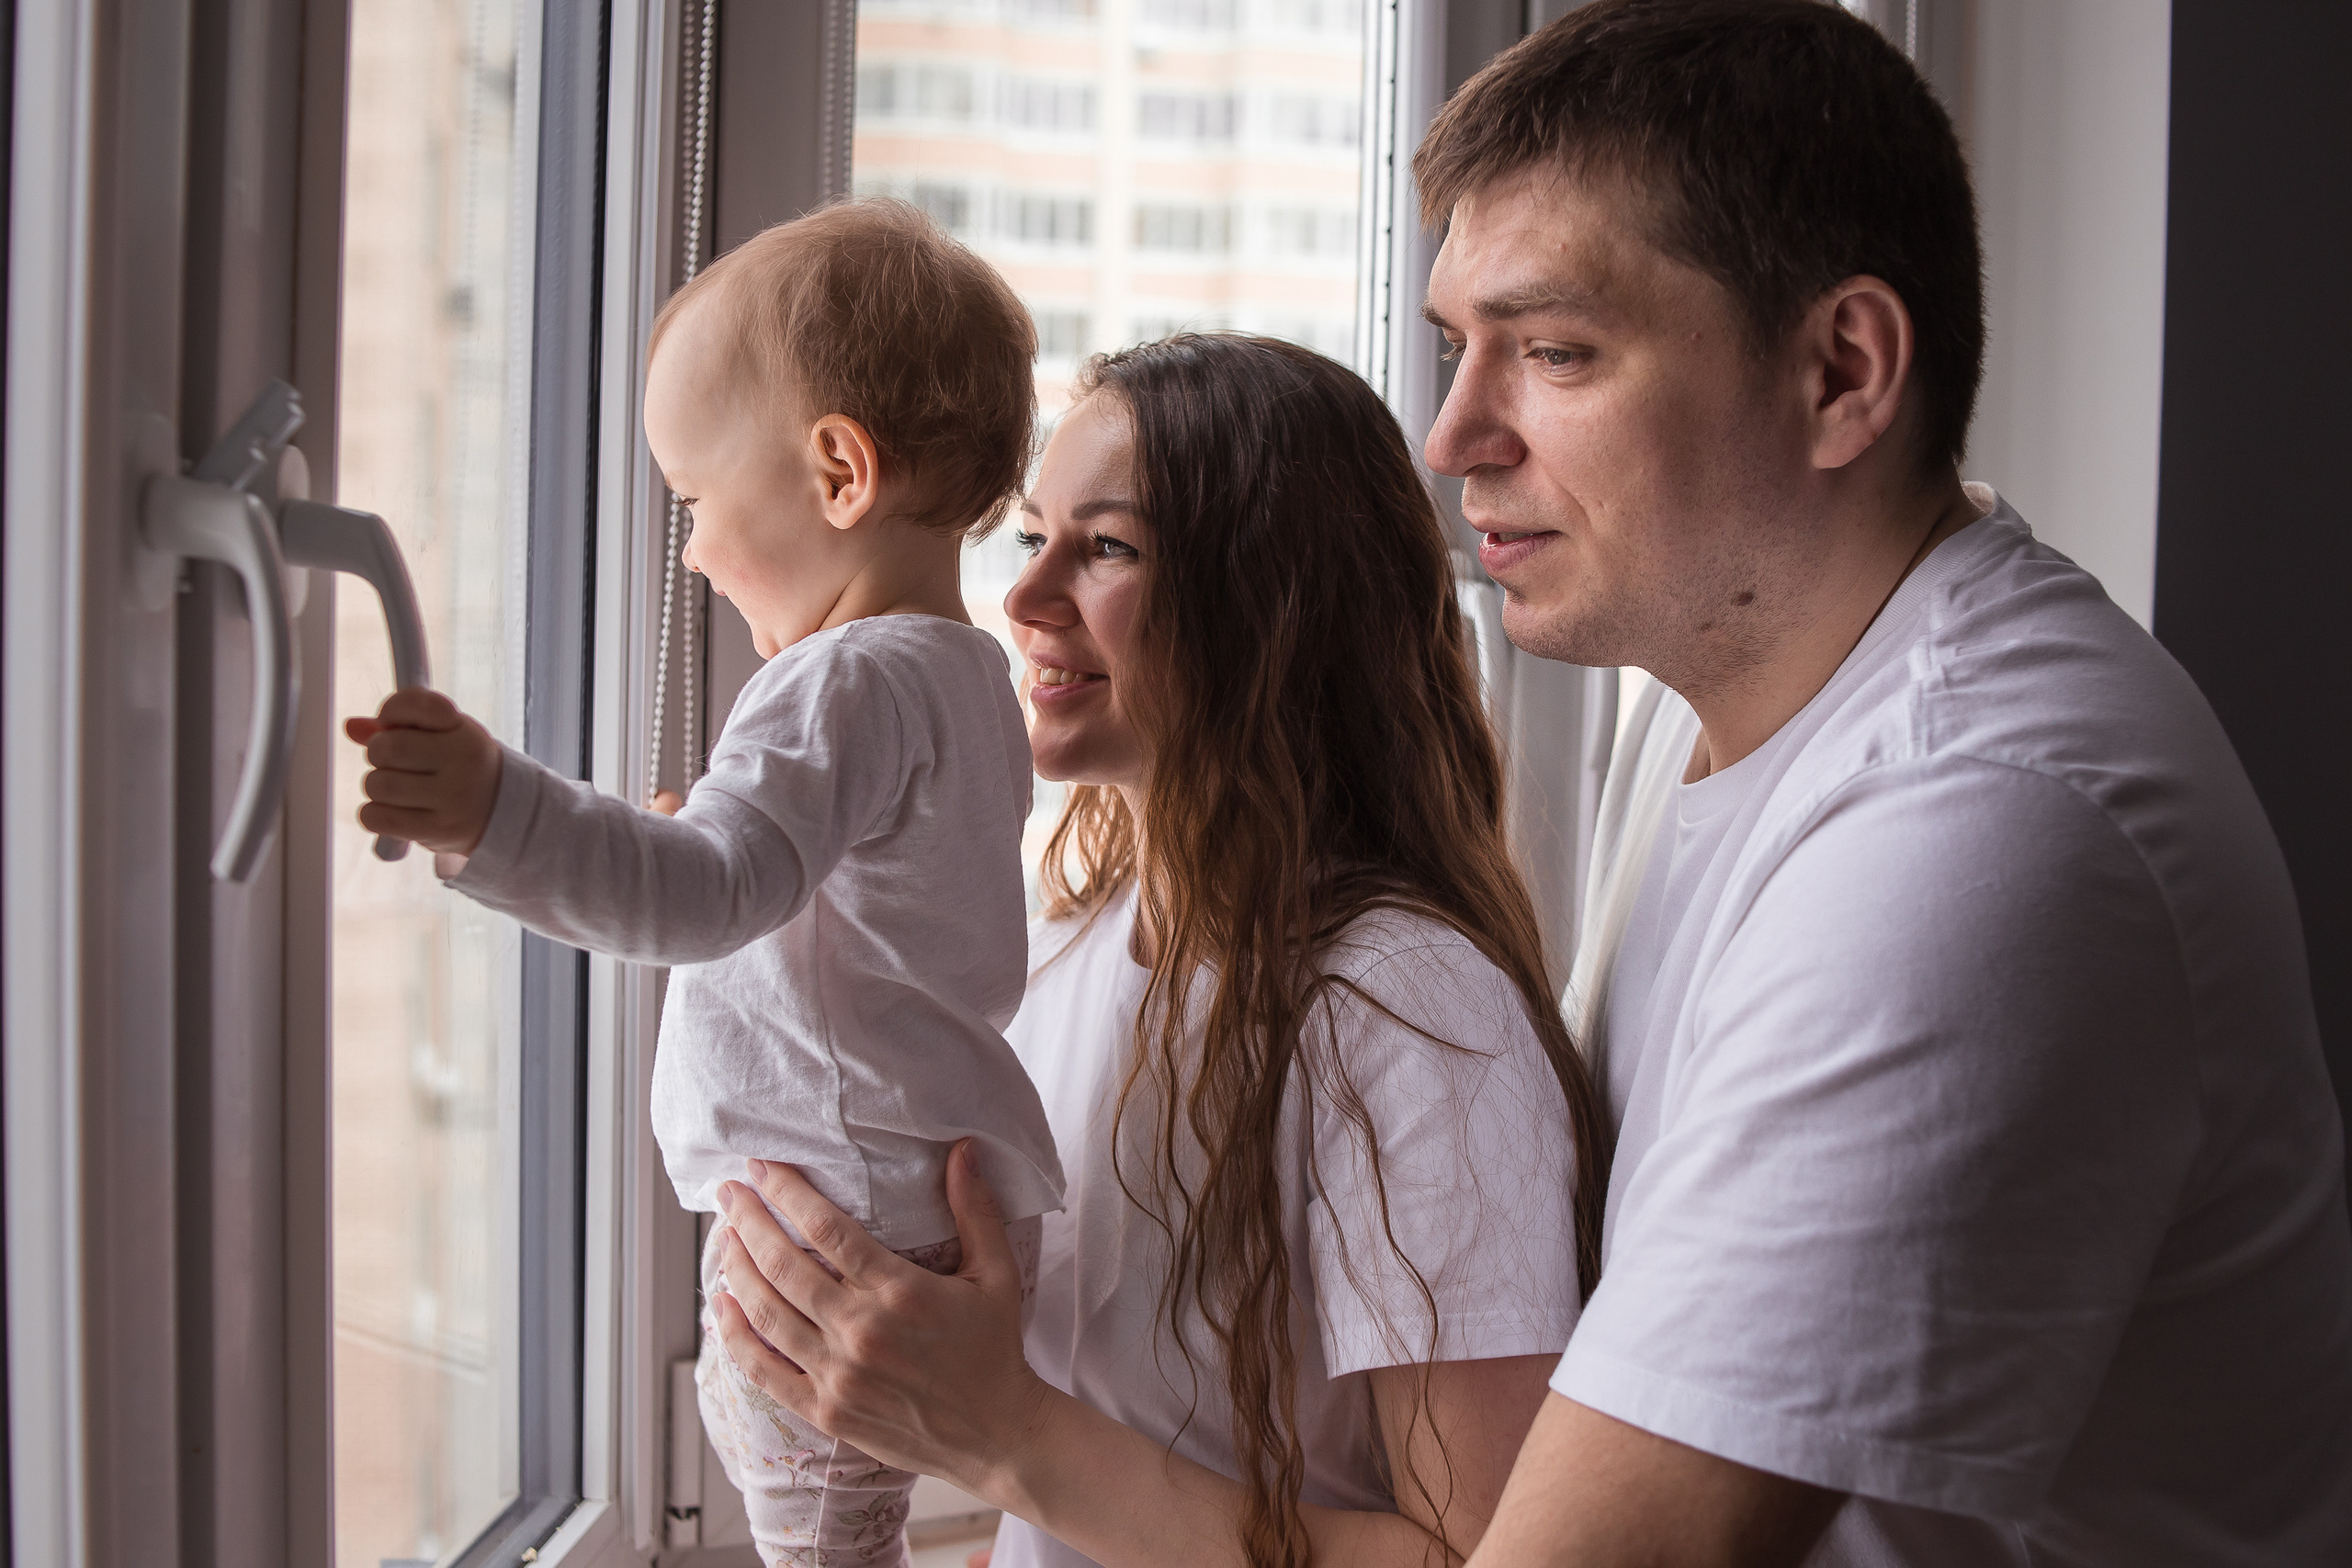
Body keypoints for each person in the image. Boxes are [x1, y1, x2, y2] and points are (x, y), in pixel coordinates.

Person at [1408, 2, 2352, 1563]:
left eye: (1555, 351)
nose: (1455, 437)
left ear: (1844, 370)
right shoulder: (1724, 694)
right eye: (1463, 347)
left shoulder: (1980, 825)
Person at [700, 333, 1611, 1568]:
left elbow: (1488, 1555)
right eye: (1033, 537)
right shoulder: (1070, 940)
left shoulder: (1406, 1016)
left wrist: (1007, 1438)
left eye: (1109, 547)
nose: (1022, 600)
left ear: (1274, 602)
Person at [344, 198, 1065, 1568]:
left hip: (829, 1235)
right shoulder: (964, 678)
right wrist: (718, 848)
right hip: (889, 1207)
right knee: (845, 1533)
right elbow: (855, 916)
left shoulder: (842, 676)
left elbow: (708, 894)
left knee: (820, 1545)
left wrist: (495, 814)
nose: (686, 550)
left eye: (693, 502)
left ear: (839, 473)